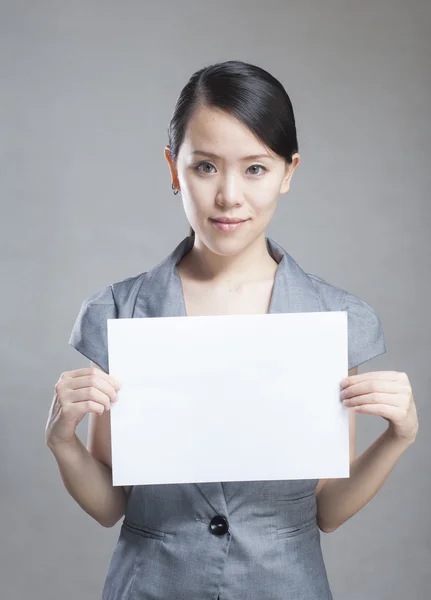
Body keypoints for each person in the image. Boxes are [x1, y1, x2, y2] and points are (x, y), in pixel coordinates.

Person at [45, 60, 418, 600]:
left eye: (255, 169)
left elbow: (327, 509)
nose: (228, 196)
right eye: (205, 167)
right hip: (151, 586)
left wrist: (398, 437)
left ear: (289, 172)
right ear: (174, 169)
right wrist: (62, 442)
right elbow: (112, 504)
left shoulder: (333, 320)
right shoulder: (120, 312)